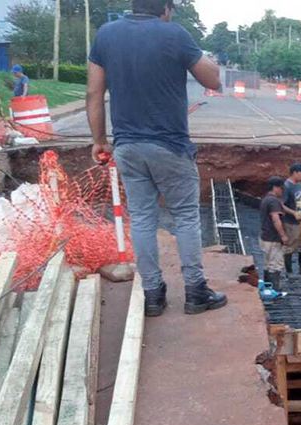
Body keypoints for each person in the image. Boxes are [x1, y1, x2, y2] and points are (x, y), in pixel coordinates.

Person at [87, 0, 226, 317]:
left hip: (127, 148)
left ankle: (152, 294)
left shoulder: (106, 35)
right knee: (186, 217)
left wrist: (98, 140)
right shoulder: (175, 34)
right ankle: (195, 292)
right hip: (169, 147)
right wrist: (208, 59)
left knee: (143, 218)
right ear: (165, 8)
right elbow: (213, 80)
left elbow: (94, 92)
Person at [281, 163, 301, 279]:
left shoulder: (299, 184)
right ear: (294, 173)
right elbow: (281, 205)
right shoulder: (286, 186)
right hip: (291, 222)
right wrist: (294, 213)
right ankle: (289, 272)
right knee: (290, 245)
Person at [260, 176, 290, 292]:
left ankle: (267, 291)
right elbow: (275, 219)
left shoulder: (266, 199)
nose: (282, 191)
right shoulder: (273, 201)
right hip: (273, 239)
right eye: (281, 188)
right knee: (275, 266)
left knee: (268, 265)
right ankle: (274, 292)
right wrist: (283, 236)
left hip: (265, 238)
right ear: (275, 188)